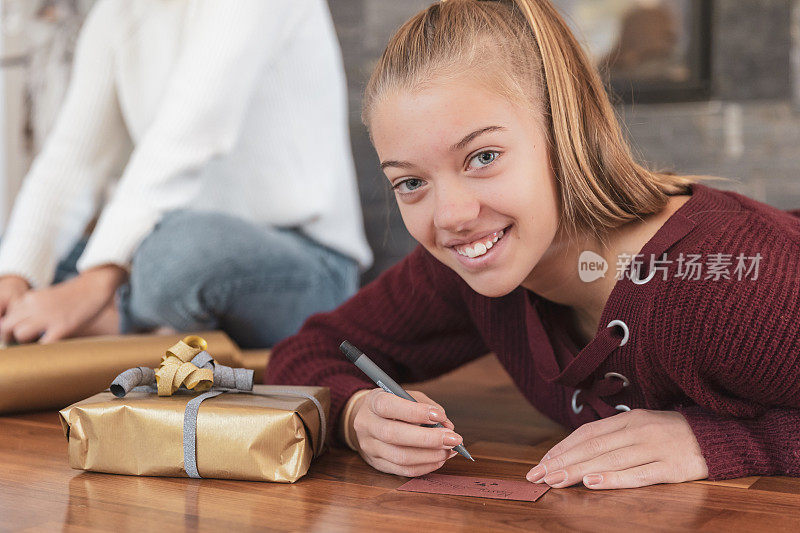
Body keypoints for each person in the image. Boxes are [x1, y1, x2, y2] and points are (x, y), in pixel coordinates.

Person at [264, 0, 800, 489]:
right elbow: (307, 352)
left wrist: (722, 442)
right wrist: (356, 415)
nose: (450, 217)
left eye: (483, 156)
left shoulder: (726, 289)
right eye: (411, 183)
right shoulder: (466, 266)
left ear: (562, 129)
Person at [0, 0, 372, 348]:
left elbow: (190, 136)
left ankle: (115, 320)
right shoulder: (116, 12)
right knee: (59, 259)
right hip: (180, 244)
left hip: (307, 265)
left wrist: (96, 281)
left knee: (174, 258)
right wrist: (16, 278)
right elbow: (70, 162)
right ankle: (140, 322)